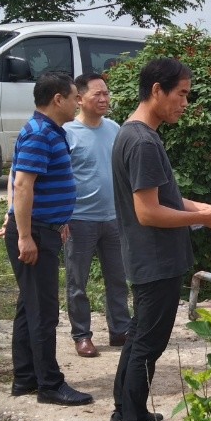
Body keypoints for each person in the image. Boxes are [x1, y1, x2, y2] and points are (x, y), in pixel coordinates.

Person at [110, 57, 211, 421]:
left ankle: (123, 412)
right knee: (148, 342)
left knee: (139, 337)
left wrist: (205, 210)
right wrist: (201, 218)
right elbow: (148, 211)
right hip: (156, 259)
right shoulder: (143, 141)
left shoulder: (134, 134)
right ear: (156, 90)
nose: (185, 103)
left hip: (148, 256)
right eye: (181, 94)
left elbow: (165, 199)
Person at [5, 72, 93, 406]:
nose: (78, 102)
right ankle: (49, 385)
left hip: (45, 229)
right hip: (34, 233)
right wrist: (26, 236)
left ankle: (25, 377)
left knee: (30, 308)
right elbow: (23, 185)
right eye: (74, 97)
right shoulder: (41, 133)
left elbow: (40, 186)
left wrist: (60, 221)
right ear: (58, 99)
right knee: (43, 312)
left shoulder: (49, 132)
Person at [63, 73, 131, 358]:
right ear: (79, 99)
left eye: (106, 93)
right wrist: (62, 216)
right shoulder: (67, 132)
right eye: (97, 94)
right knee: (77, 282)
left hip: (114, 217)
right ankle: (82, 335)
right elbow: (58, 177)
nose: (104, 99)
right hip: (78, 219)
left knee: (118, 277)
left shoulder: (115, 128)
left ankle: (120, 330)